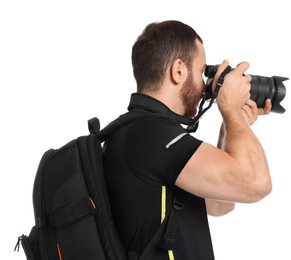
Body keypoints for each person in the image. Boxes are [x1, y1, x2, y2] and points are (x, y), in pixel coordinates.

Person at [103, 20, 272, 260]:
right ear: (178, 70)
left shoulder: (136, 132)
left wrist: (231, 123)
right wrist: (230, 109)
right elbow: (257, 183)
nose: (205, 86)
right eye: (202, 71)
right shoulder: (150, 134)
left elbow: (220, 201)